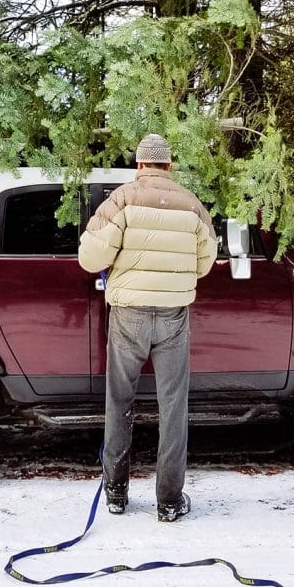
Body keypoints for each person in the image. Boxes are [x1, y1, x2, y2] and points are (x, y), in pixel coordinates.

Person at [78, 133, 217, 521]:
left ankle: (116, 494)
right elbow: (205, 263)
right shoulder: (192, 205)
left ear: (139, 165)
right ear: (168, 165)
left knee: (120, 402)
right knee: (174, 408)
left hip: (128, 316)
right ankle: (170, 501)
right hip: (173, 316)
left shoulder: (121, 199)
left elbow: (90, 257)